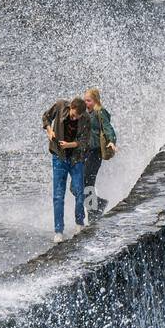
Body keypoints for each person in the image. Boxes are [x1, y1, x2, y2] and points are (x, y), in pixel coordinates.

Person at [42, 96, 90, 242]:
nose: (75, 119)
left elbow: (85, 142)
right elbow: (45, 117)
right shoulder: (60, 105)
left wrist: (70, 145)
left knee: (79, 191)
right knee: (58, 195)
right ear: (71, 108)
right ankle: (58, 231)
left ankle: (80, 224)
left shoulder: (86, 118)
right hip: (59, 157)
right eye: (74, 115)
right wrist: (49, 131)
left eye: (78, 117)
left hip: (76, 159)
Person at [82, 87, 118, 222]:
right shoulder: (86, 113)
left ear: (96, 100)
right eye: (85, 100)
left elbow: (108, 128)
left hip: (95, 153)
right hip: (85, 153)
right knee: (76, 186)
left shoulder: (100, 112)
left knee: (88, 183)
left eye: (89, 101)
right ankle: (99, 204)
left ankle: (92, 214)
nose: (86, 103)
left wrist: (111, 141)